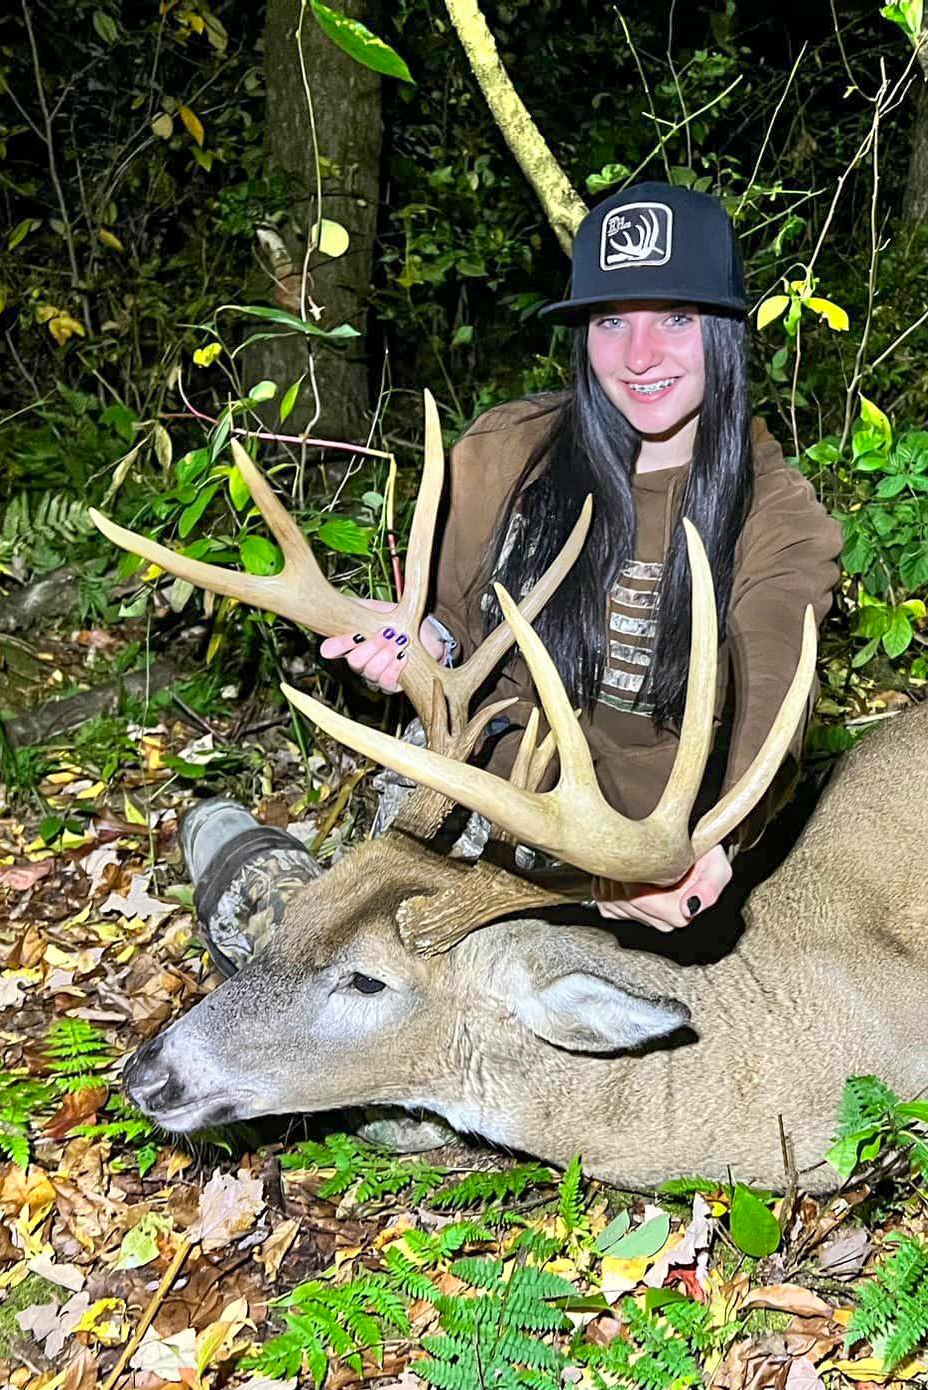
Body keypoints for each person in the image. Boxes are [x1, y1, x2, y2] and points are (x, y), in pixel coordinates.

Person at [318, 182, 841, 931]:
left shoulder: (776, 516)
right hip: (475, 822)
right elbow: (450, 623)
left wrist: (713, 844)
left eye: (676, 318)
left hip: (644, 875)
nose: (639, 355)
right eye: (610, 320)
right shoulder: (505, 451)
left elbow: (774, 689)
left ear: (723, 331)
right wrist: (416, 643)